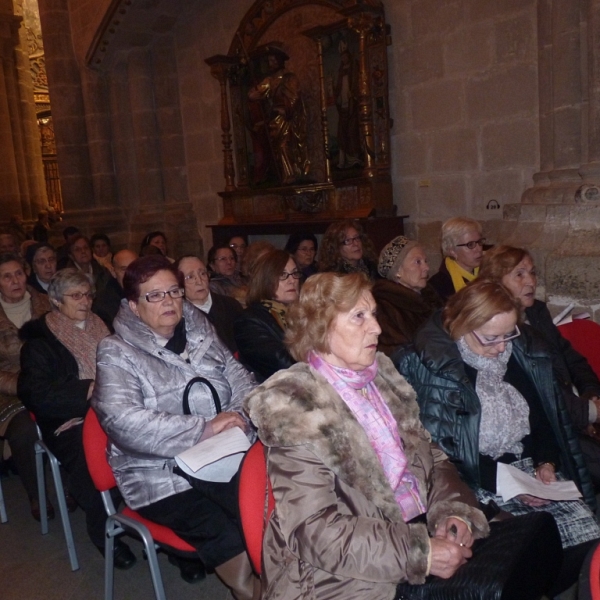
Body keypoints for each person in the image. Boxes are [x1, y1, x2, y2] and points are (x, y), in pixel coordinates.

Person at [244, 272, 490, 599]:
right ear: (321, 328)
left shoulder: (381, 377)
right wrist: (418, 554)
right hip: (337, 574)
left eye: (373, 314)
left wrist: (451, 511)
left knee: (527, 547)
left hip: (409, 530)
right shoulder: (295, 407)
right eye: (359, 316)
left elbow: (432, 457)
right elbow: (315, 532)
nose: (376, 327)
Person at [393, 280, 600, 594]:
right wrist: (509, 483)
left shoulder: (517, 355)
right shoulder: (439, 370)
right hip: (477, 480)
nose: (502, 346)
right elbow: (446, 450)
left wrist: (546, 461)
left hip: (530, 472)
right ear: (463, 326)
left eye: (509, 334)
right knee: (533, 545)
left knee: (587, 535)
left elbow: (544, 418)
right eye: (492, 338)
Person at [91, 256, 258, 597]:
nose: (168, 300)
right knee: (228, 531)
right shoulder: (116, 351)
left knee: (276, 507)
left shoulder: (201, 330)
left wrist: (240, 417)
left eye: (173, 291)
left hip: (225, 455)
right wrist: (205, 429)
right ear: (133, 306)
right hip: (159, 476)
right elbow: (123, 422)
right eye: (154, 295)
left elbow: (240, 379)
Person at [18, 269, 136, 569]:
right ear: (56, 301)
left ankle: (164, 524)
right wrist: (87, 390)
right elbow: (36, 394)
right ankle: (103, 531)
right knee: (93, 457)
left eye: (88, 294)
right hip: (71, 420)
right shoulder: (40, 341)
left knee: (153, 444)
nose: (85, 301)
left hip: (118, 409)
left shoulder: (104, 326)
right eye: (76, 296)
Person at [479, 245, 600, 488]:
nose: (531, 281)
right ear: (495, 282)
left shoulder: (537, 313)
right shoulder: (502, 336)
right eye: (520, 274)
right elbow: (538, 395)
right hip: (551, 427)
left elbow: (573, 359)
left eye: (532, 273)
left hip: (576, 410)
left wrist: (592, 393)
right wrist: (589, 412)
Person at [0, 253, 50, 521]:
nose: (15, 280)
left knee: (77, 416)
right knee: (25, 430)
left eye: (18, 273)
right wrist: (20, 384)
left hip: (48, 383)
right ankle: (36, 493)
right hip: (10, 394)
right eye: (6, 276)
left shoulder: (47, 304)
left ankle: (78, 486)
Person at [247, 45, 310, 185]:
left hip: (286, 118)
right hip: (274, 119)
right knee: (277, 148)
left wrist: (285, 109)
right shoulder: (269, 80)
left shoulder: (289, 78)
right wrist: (255, 93)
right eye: (269, 60)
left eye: (273, 60)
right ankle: (284, 175)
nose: (271, 63)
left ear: (280, 61)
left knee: (285, 145)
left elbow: (294, 98)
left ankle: (291, 175)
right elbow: (254, 93)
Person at [234, 249, 298, 382]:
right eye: (283, 274)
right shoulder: (248, 321)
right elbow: (283, 365)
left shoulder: (304, 313)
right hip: (276, 394)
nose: (292, 280)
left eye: (294, 273)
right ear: (265, 280)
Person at [373, 236, 443, 355]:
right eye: (417, 262)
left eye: (425, 261)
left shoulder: (430, 297)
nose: (426, 268)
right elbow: (401, 355)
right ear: (398, 271)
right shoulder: (385, 308)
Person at [176, 255, 243, 355]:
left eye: (202, 273)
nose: (199, 281)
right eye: (190, 277)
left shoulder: (231, 305)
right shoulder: (179, 317)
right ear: (179, 284)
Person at [429, 217, 484, 302]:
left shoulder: (488, 274)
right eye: (470, 244)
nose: (479, 249)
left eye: (479, 242)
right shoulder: (437, 286)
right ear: (452, 251)